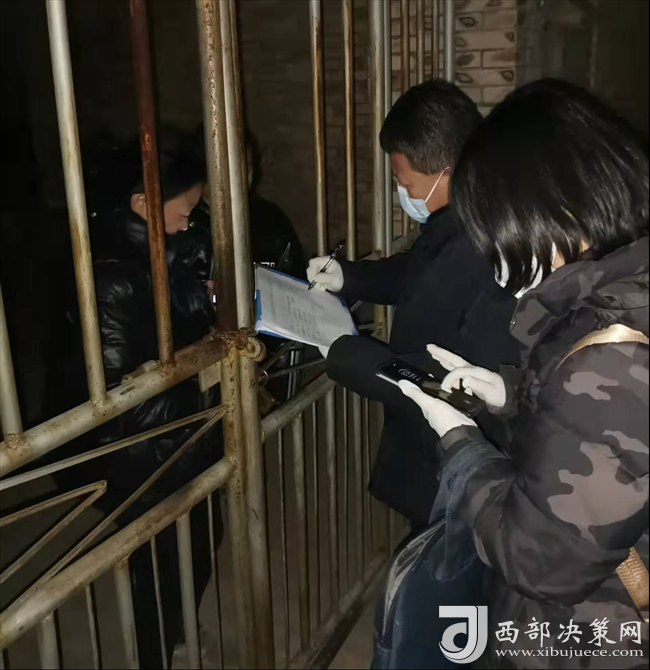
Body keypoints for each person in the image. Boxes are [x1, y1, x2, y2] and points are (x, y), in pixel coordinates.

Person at [400, 80, 649, 666]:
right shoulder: (622, 295)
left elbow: (540, 558)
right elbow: (607, 442)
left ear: (554, 209)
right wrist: (509, 394)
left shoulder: (612, 356)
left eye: (498, 231)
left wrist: (461, 448)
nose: (498, 261)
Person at [308, 80, 520, 528]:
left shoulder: (483, 247)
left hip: (452, 464)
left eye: (405, 182)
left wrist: (341, 350)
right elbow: (417, 270)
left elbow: (443, 385)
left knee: (445, 564)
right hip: (434, 451)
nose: (401, 190)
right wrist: (350, 276)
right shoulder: (460, 219)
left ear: (446, 170)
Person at [48, 130, 222, 668]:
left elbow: (192, 322)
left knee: (202, 535)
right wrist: (211, 375)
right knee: (157, 563)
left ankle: (174, 629)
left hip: (189, 430)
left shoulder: (175, 247)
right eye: (184, 210)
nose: (191, 221)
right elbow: (122, 399)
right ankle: (155, 651)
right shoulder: (108, 277)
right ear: (144, 203)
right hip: (141, 455)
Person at [189, 127, 306, 402]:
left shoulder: (270, 220)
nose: (242, 177)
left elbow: (295, 289)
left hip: (263, 361)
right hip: (202, 374)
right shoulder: (183, 224)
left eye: (249, 167)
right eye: (230, 169)